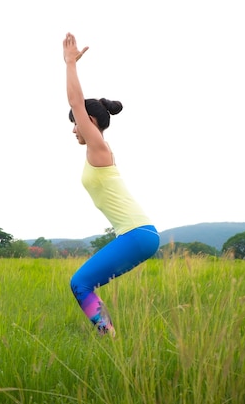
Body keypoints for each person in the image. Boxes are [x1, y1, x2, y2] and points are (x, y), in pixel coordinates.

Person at [63, 32, 160, 335]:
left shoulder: (99, 147)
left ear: (90, 121)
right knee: (84, 283)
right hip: (137, 234)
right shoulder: (99, 151)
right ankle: (109, 334)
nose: (73, 130)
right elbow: (78, 107)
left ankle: (109, 335)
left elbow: (76, 101)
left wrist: (69, 63)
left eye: (75, 123)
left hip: (137, 234)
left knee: (79, 282)